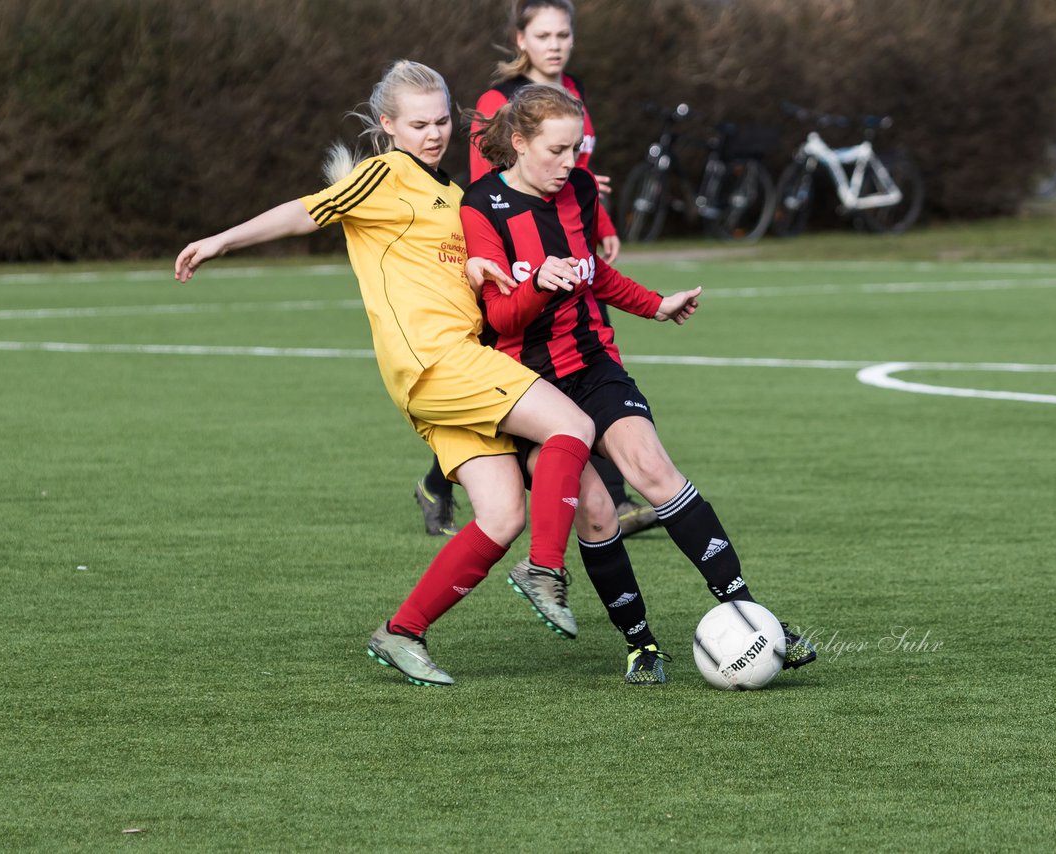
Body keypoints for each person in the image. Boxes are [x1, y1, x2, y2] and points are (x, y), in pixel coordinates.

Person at [173, 61, 596, 687]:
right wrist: (222, 241)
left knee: (501, 516)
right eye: (418, 123)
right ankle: (545, 570)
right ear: (387, 125)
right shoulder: (383, 174)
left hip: (447, 372)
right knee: (573, 425)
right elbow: (306, 211)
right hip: (437, 360)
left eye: (442, 120)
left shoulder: (453, 194)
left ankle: (401, 633)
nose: (433, 133)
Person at [462, 84, 818, 684]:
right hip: (526, 387)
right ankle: (640, 645)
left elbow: (593, 268)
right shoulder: (481, 206)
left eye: (576, 149)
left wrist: (653, 305)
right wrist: (537, 285)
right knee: (596, 512)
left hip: (592, 363)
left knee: (654, 469)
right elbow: (497, 319)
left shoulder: (575, 190)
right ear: (518, 143)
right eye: (555, 150)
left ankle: (756, 617)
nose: (569, 164)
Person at [413, 0, 660, 540]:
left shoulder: (572, 91)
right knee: (513, 368)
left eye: (564, 34)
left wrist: (602, 223)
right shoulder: (498, 101)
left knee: (589, 353)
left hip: (567, 239)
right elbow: (491, 183)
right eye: (543, 34)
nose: (556, 44)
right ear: (519, 39)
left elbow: (577, 171)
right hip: (510, 255)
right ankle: (440, 478)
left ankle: (612, 500)